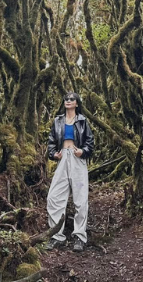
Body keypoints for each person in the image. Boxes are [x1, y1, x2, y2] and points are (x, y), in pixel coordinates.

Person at [44, 91, 95, 252]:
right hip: (62, 159)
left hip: (77, 158)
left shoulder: (82, 121)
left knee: (80, 199)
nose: (68, 100)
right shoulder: (58, 121)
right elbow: (51, 142)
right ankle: (57, 235)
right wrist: (54, 154)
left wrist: (83, 151)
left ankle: (79, 236)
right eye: (66, 98)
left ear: (77, 103)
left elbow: (90, 142)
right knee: (54, 197)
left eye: (72, 99)